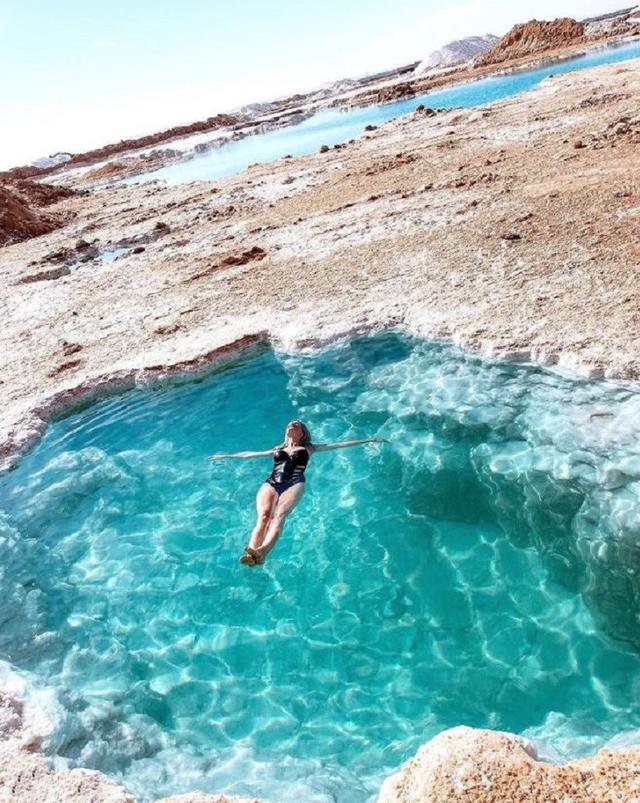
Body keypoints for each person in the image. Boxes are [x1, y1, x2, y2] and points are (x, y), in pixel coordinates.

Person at [210, 419, 387, 566]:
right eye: (290, 423)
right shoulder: (277, 449)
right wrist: (226, 456)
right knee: (263, 516)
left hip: (294, 482)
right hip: (271, 482)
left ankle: (262, 551)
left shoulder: (310, 448)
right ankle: (251, 554)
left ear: (303, 432)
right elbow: (249, 454)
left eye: (297, 424)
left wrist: (369, 440)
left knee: (278, 516)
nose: (293, 424)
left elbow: (338, 445)